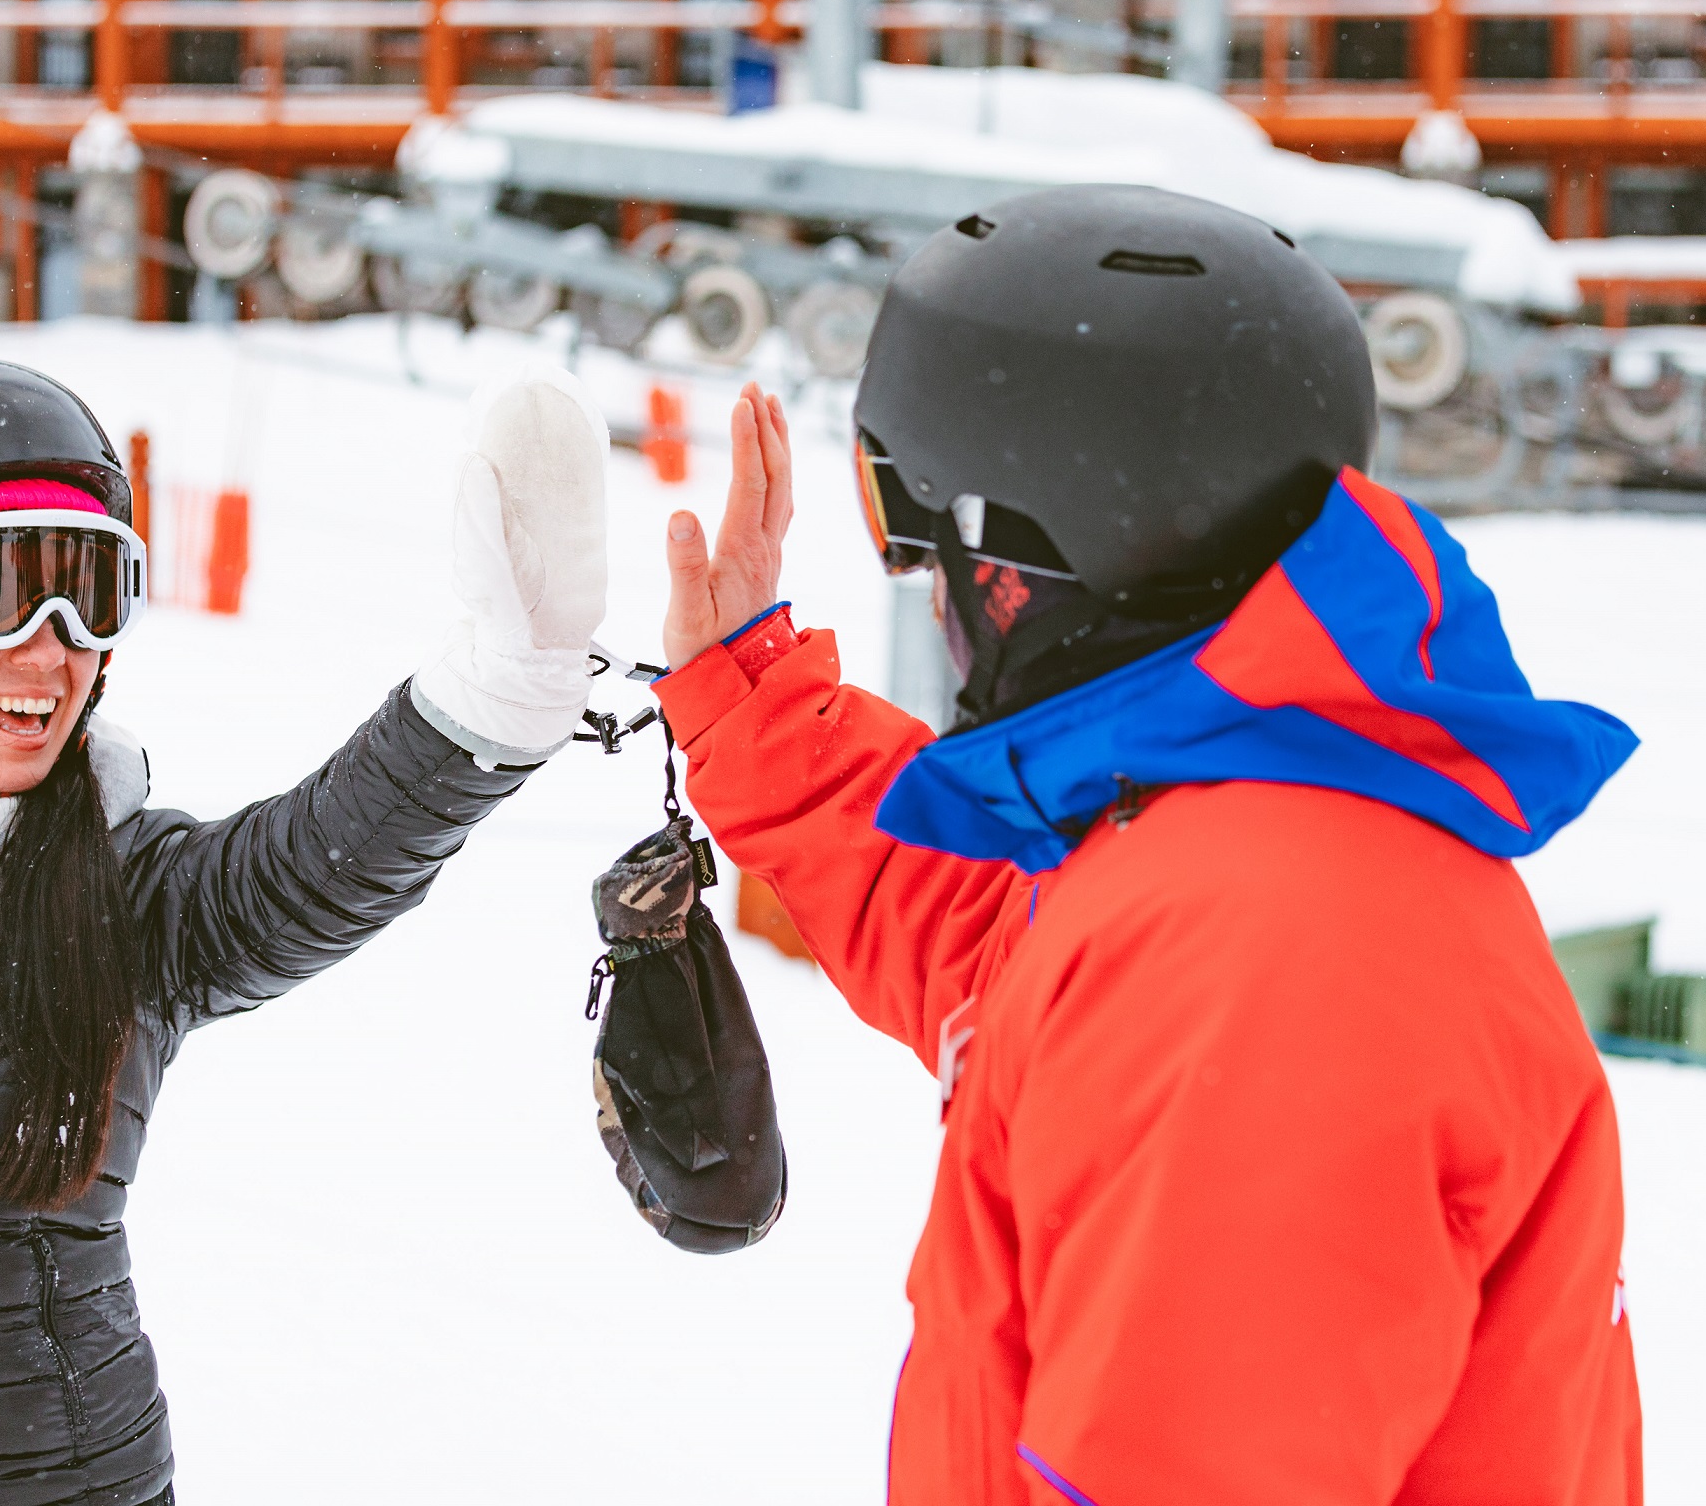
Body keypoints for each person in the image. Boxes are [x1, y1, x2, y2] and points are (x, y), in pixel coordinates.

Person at [652, 186, 1646, 1504]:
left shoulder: (1262, 972)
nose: (931, 603)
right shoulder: (1238, 857)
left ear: (1018, 562)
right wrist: (757, 710)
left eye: (924, 552)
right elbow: (999, 946)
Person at [0, 357, 608, 1506]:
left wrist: (494, 694)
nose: (50, 649)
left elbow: (312, 863)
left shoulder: (119, 895)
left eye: (89, 591)